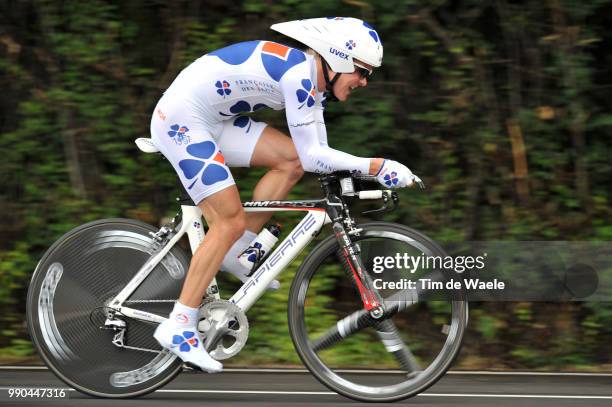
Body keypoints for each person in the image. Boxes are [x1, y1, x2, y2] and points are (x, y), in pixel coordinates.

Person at [150, 17, 421, 373]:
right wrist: (378, 167)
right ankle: (179, 326)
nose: (364, 82)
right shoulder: (300, 77)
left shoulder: (312, 82)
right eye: (361, 71)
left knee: (290, 160)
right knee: (228, 220)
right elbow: (317, 157)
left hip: (214, 120)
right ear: (338, 59)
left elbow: (312, 155)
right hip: (182, 121)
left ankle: (236, 252)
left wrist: (366, 170)